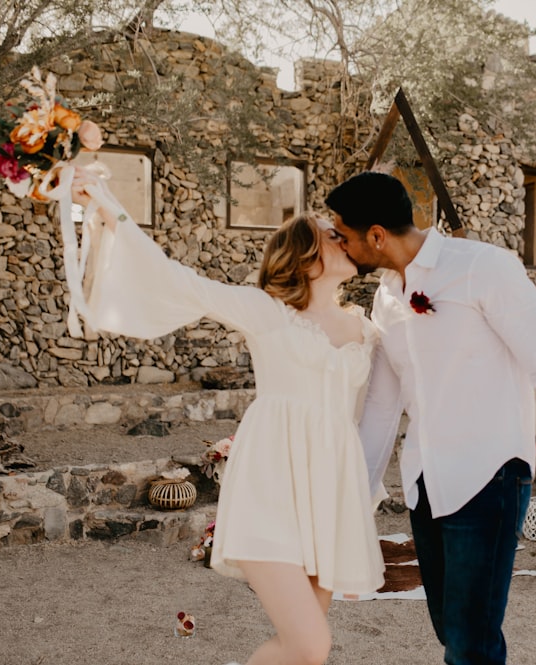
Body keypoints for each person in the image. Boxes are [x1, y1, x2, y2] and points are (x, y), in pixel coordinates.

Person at [69, 169, 384, 665]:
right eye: (330, 234)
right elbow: (179, 280)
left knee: (303, 649)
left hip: (329, 497)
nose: (343, 238)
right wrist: (109, 205)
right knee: (311, 644)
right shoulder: (267, 312)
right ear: (305, 254)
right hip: (273, 487)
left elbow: (374, 414)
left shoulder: (366, 331)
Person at [325, 171, 536, 665]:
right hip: (426, 482)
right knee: (452, 631)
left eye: (343, 234)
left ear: (377, 235)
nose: (337, 243)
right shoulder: (386, 297)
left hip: (489, 478)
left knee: (471, 644)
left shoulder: (484, 269)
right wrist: (353, 498)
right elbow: (383, 407)